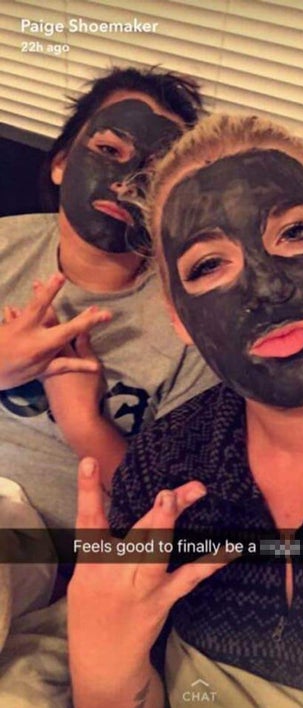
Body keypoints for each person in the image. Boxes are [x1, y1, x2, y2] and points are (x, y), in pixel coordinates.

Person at [68, 114, 303, 708]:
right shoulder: (163, 467)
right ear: (178, 317)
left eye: (295, 233)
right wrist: (101, 659)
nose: (267, 288)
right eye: (208, 265)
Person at [0, 66, 217, 533]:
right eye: (109, 151)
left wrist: (84, 424)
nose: (124, 184)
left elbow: (175, 515)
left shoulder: (194, 324)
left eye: (155, 172)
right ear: (61, 163)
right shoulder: (4, 245)